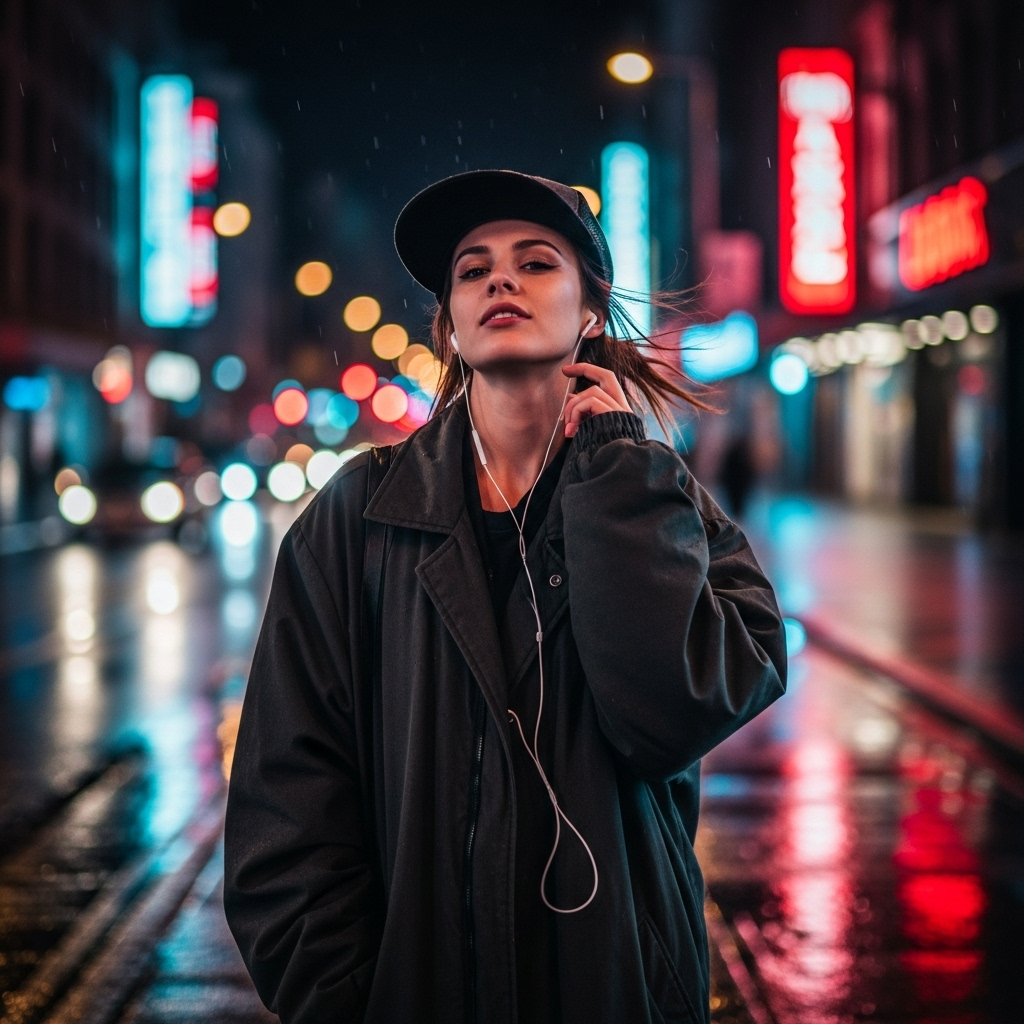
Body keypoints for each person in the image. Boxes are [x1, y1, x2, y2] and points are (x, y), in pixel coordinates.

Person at [224, 170, 787, 1024]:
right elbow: (285, 803)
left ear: (590, 313)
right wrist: (346, 1000)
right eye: (472, 269)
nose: (500, 280)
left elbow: (671, 713)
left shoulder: (654, 494)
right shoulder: (359, 515)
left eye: (535, 262)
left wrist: (616, 473)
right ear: (449, 321)